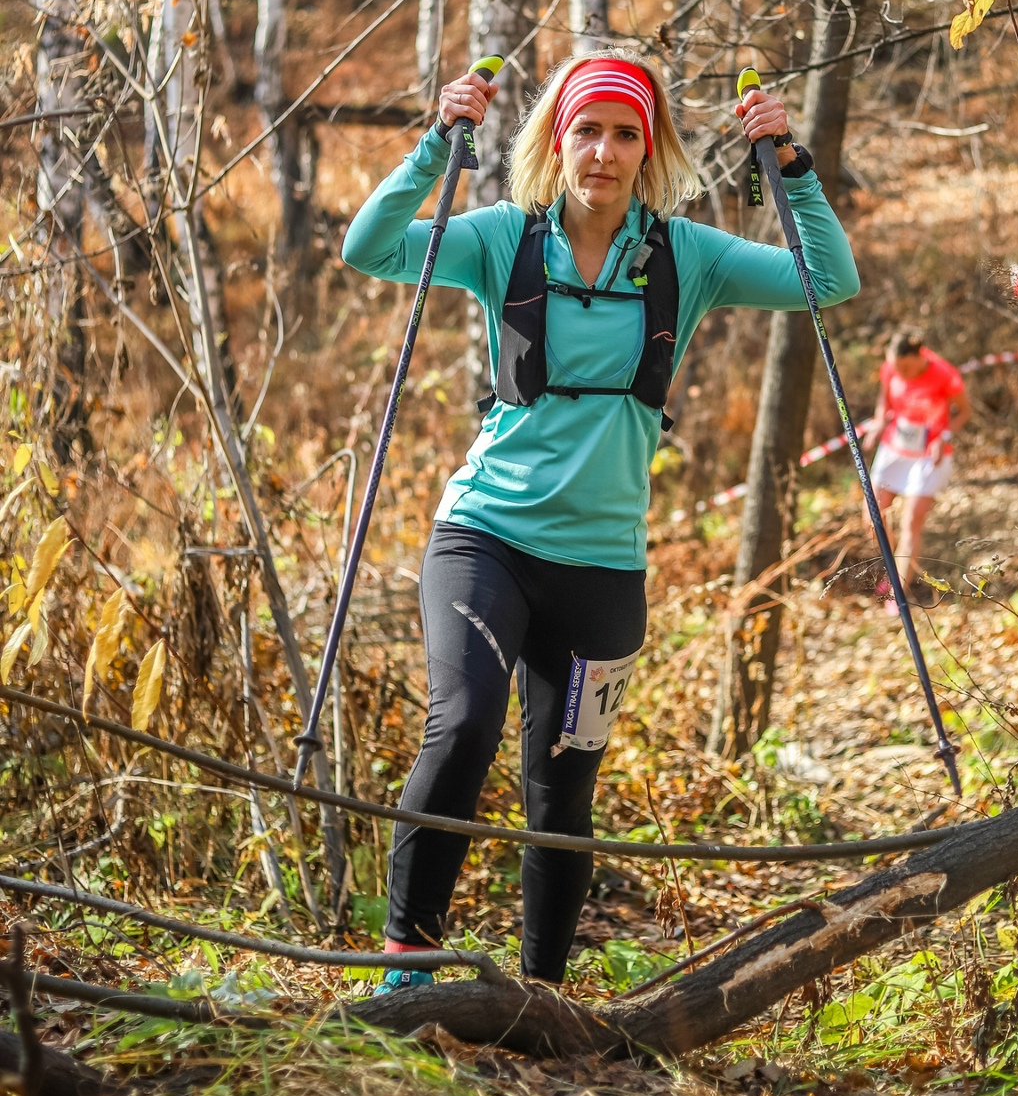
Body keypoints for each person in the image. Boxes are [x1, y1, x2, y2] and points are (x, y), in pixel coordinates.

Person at [341, 50, 859, 988]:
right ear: (557, 140)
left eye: (626, 134)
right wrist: (435, 148)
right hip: (486, 537)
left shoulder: (686, 255)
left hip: (603, 568)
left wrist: (789, 162)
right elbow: (369, 249)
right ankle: (407, 966)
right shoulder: (503, 238)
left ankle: (541, 996)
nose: (605, 152)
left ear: (648, 151)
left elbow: (827, 279)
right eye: (587, 130)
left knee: (562, 790)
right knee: (462, 727)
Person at [861, 330, 970, 606]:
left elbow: (964, 411)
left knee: (911, 521)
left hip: (929, 456)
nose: (901, 374)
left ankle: (898, 590)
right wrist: (878, 423)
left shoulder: (944, 374)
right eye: (896, 369)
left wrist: (944, 436)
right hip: (895, 448)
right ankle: (893, 564)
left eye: (906, 368)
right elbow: (884, 400)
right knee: (872, 516)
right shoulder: (891, 367)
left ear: (919, 356)